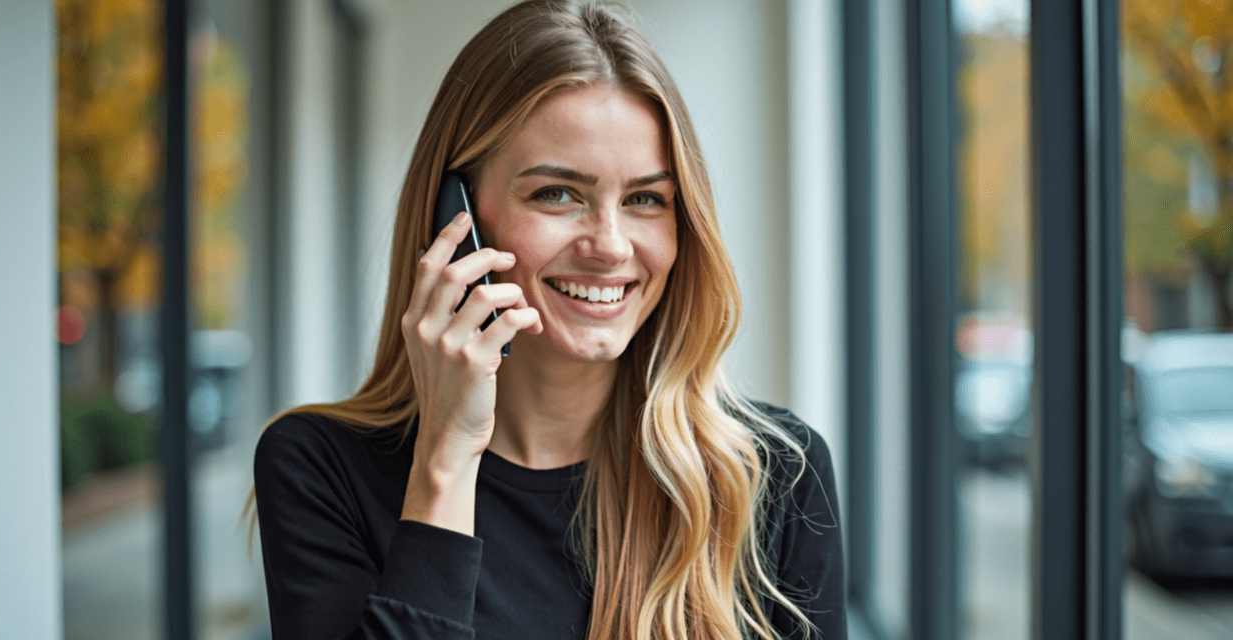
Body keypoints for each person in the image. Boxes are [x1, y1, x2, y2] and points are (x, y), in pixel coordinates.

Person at [250, 1, 845, 639]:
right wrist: (446, 461)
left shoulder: (772, 474)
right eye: (557, 194)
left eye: (646, 199)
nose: (612, 245)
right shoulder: (319, 468)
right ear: (457, 218)